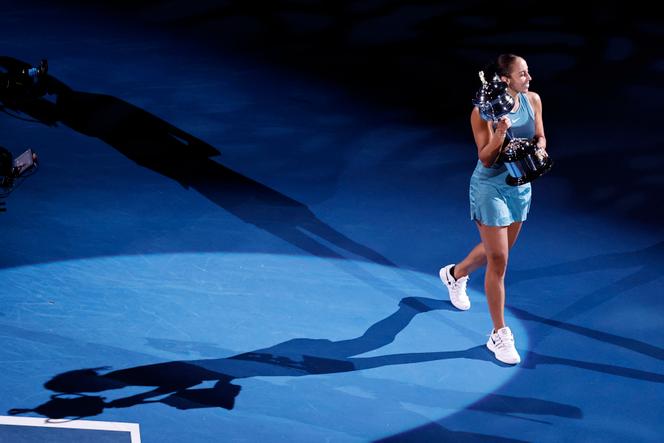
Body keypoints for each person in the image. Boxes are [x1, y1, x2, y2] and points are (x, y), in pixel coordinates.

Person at [440, 54, 547, 365]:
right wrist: (500, 132)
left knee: (494, 252)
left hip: (520, 186)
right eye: (523, 74)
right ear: (504, 79)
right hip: (490, 188)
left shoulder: (533, 100)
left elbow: (540, 134)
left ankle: (455, 274)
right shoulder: (481, 113)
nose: (529, 78)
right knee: (499, 260)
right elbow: (486, 158)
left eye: (528, 73)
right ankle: (498, 334)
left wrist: (539, 147)